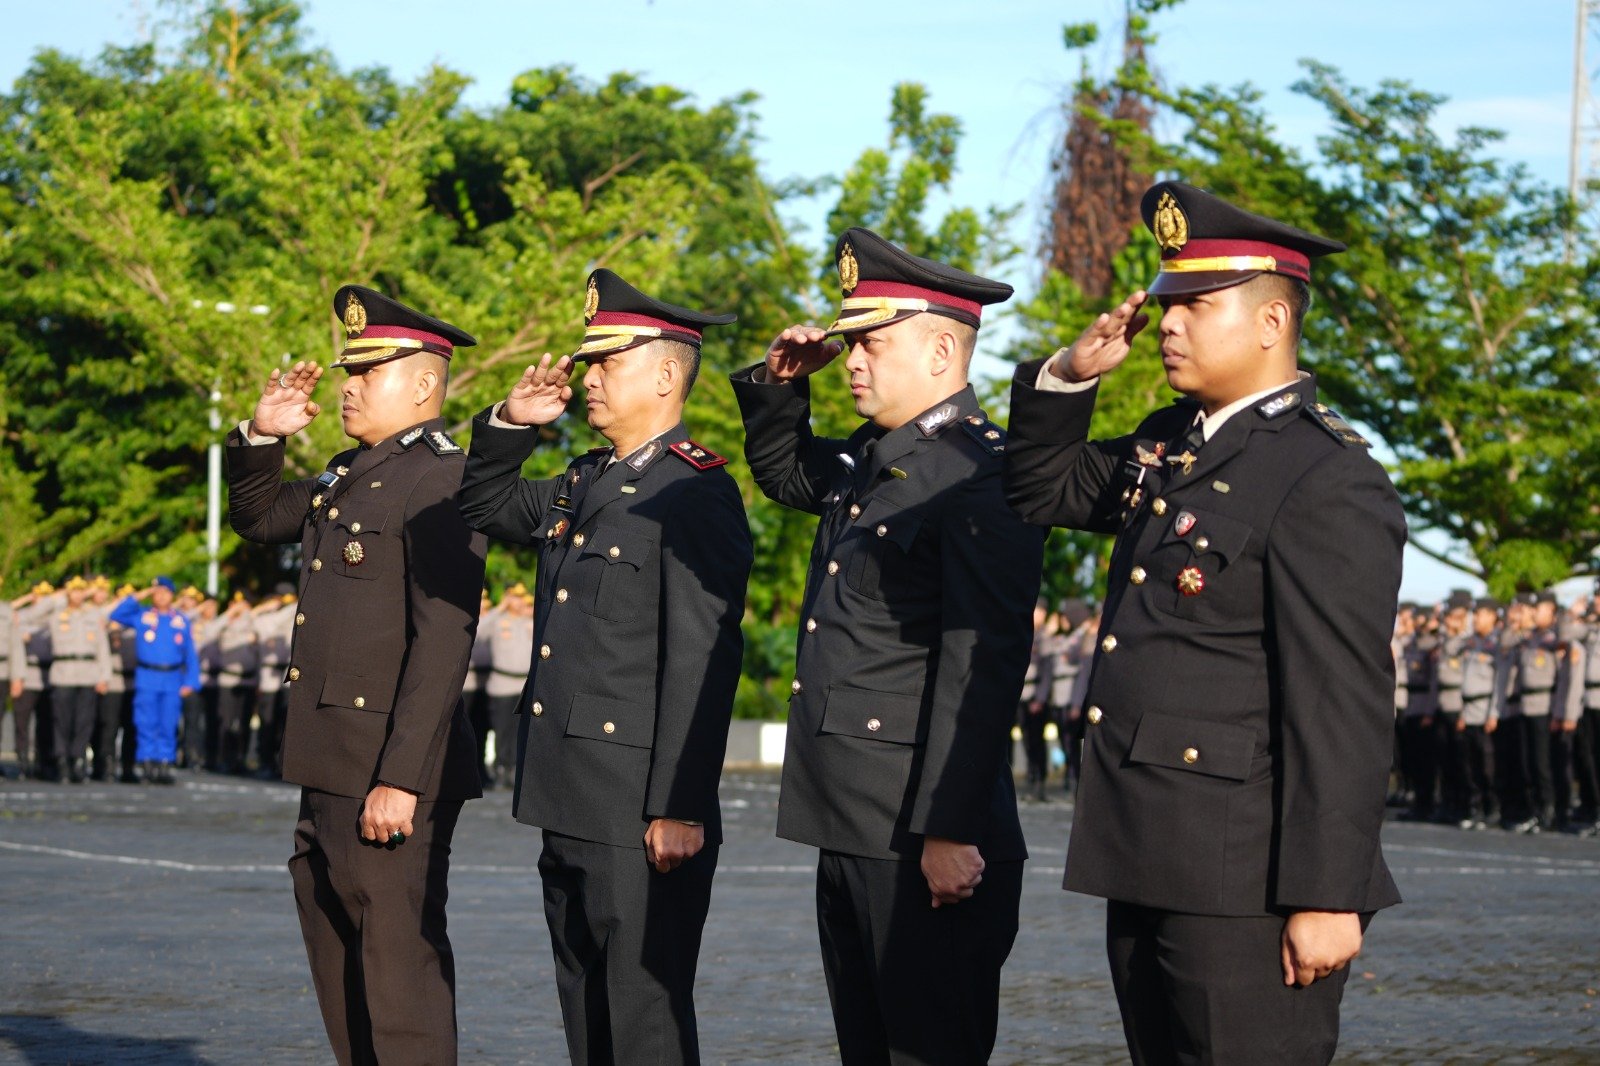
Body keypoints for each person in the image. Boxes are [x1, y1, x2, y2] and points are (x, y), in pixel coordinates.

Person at [1003, 182, 1405, 1065]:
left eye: (1196, 305)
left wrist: (1329, 895)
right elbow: (1042, 489)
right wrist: (1069, 378)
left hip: (1246, 882)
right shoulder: (1172, 440)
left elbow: (1340, 703)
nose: (1169, 324)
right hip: (1150, 853)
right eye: (1167, 302)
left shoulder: (1324, 476)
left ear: (1270, 324)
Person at [730, 228, 1043, 1065]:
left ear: (943, 347)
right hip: (857, 820)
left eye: (871, 340)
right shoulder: (874, 461)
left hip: (926, 834)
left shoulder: (981, 475)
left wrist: (950, 829)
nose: (854, 359)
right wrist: (779, 388)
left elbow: (982, 665)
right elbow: (788, 475)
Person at [458, 269, 751, 1066]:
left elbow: (704, 655)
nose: (587, 376)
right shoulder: (585, 480)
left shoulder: (693, 492)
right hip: (567, 790)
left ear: (664, 373)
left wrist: (681, 805)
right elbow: (483, 504)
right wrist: (511, 425)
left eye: (606, 362)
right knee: (584, 1006)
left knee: (643, 1017)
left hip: (637, 809)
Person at [227, 284, 488, 1066]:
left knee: (396, 977)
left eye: (367, 371)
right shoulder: (350, 472)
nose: (346, 384)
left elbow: (443, 639)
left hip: (388, 774)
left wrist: (400, 779)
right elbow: (261, 519)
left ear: (420, 383)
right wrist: (261, 438)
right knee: (339, 967)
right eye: (350, 368)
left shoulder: (442, 480)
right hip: (330, 763)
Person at [108, 578, 200, 785]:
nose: (161, 596)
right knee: (145, 722)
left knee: (168, 722)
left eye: (165, 592)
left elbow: (190, 654)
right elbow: (116, 614)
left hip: (172, 678)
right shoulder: (143, 615)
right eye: (157, 592)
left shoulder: (181, 620)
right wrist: (140, 595)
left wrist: (190, 682)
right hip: (147, 677)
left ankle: (165, 763)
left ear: (172, 595)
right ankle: (147, 764)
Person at [46, 576, 114, 784]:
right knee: (62, 721)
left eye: (81, 590)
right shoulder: (56, 614)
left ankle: (78, 760)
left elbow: (103, 648)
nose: (77, 595)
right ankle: (62, 761)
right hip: (64, 673)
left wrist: (105, 675)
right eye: (73, 591)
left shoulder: (93, 616)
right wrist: (59, 597)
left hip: (88, 673)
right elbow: (32, 614)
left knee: (84, 721)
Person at [1454, 598, 1506, 830]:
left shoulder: (1496, 645)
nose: (1477, 618)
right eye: (1476, 614)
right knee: (1470, 765)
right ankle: (1476, 809)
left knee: (1488, 766)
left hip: (1485, 711)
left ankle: (1493, 808)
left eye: (1482, 614)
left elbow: (1499, 683)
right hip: (1470, 711)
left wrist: (1493, 713)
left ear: (1494, 617)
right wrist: (1462, 712)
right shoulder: (1472, 643)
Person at [483, 583, 533, 789]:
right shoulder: (498, 621)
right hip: (502, 684)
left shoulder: (528, 622)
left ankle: (514, 769)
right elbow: (479, 629)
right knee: (502, 730)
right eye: (514, 597)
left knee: (519, 731)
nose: (518, 601)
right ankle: (501, 768)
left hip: (523, 685)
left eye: (521, 597)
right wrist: (500, 607)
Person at [212, 593, 262, 774]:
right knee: (226, 722)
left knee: (244, 723)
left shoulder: (253, 624)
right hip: (227, 679)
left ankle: (240, 758)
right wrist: (231, 613)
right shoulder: (224, 623)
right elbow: (209, 631)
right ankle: (224, 758)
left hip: (248, 680)